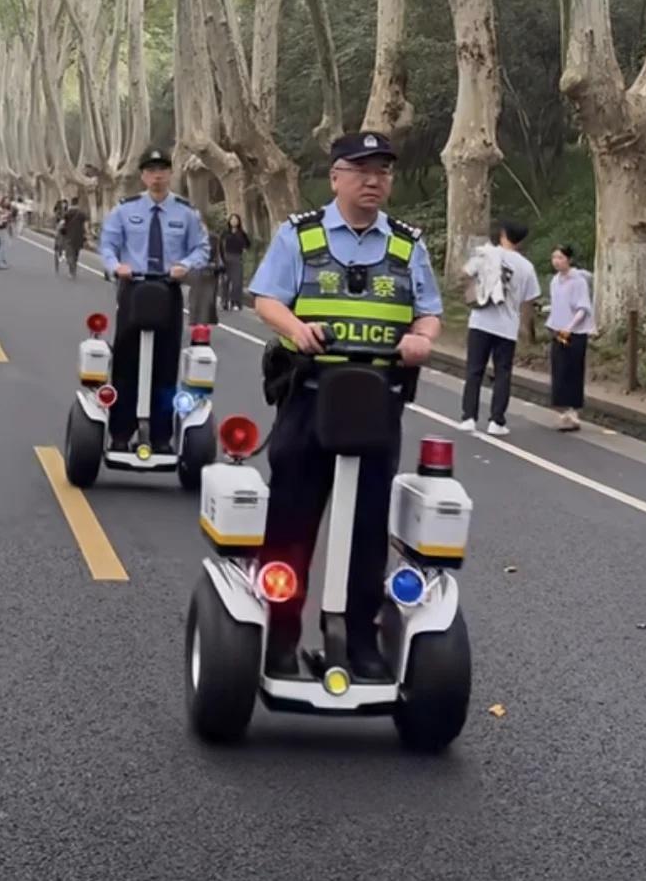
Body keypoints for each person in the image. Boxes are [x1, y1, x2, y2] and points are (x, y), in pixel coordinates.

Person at [250, 132, 442, 681]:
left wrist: (422, 339)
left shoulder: (408, 246)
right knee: (290, 523)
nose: (374, 180)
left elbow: (428, 311)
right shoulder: (300, 236)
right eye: (361, 170)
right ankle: (279, 639)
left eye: (383, 170)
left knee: (366, 530)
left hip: (376, 407)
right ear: (335, 176)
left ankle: (361, 642)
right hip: (309, 401)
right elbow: (266, 298)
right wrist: (296, 328)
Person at [98, 147, 209, 452]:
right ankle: (120, 433)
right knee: (125, 363)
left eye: (162, 169)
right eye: (151, 170)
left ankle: (162, 437)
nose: (157, 176)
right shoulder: (124, 210)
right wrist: (115, 266)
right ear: (143, 176)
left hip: (168, 291)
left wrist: (185, 266)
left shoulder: (186, 213)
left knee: (165, 364)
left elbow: (202, 249)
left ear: (170, 174)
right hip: (134, 290)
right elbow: (107, 244)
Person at [458, 221, 540, 436]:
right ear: (521, 240)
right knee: (503, 373)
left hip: (480, 321)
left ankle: (468, 417)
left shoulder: (486, 254)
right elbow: (528, 301)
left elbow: (464, 273)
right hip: (507, 326)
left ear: (503, 234)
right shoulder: (527, 267)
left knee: (474, 370)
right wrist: (527, 330)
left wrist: (475, 289)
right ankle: (497, 421)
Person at [547, 245, 594, 431]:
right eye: (554, 258)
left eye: (560, 257)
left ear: (569, 260)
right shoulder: (555, 281)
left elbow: (583, 308)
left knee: (573, 371)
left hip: (575, 333)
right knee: (559, 371)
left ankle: (573, 411)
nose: (556, 261)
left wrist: (570, 327)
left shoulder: (578, 281)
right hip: (557, 330)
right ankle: (563, 411)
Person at [218, 213, 252, 310]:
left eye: (236, 219)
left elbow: (248, 244)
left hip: (237, 258)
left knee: (237, 282)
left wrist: (244, 249)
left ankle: (235, 303)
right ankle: (224, 302)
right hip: (226, 257)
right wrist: (221, 259)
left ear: (238, 221)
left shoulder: (241, 233)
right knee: (225, 281)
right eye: (232, 219)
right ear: (229, 221)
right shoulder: (225, 233)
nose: (234, 221)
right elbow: (220, 246)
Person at [61, 196, 87, 278]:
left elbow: (63, 222)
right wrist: (87, 234)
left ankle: (71, 271)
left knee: (70, 254)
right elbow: (86, 225)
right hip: (79, 236)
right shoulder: (82, 213)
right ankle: (74, 268)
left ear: (72, 203)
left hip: (69, 235)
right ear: (78, 203)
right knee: (76, 254)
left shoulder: (68, 213)